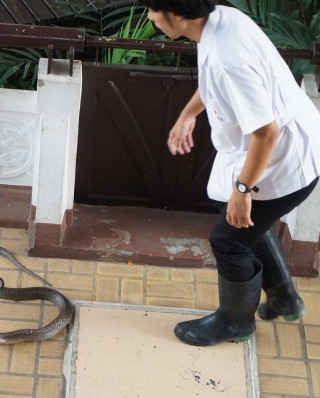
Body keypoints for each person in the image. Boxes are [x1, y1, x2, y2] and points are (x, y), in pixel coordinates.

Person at [144, 0, 320, 346]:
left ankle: (235, 322)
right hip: (286, 144)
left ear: (176, 15)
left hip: (284, 158)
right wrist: (188, 114)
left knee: (227, 240)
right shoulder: (221, 20)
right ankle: (284, 297)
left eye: (153, 10)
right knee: (238, 226)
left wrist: (242, 190)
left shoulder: (228, 58)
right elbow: (213, 83)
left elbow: (266, 133)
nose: (150, 17)